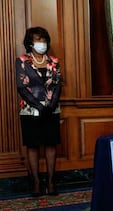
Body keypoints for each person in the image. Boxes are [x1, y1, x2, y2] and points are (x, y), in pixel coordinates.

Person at [16, 27, 62, 196]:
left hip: (52, 109)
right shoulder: (22, 61)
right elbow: (21, 87)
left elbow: (58, 85)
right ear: (30, 42)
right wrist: (38, 105)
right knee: (33, 146)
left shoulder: (54, 61)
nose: (41, 43)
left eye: (43, 40)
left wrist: (50, 105)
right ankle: (35, 181)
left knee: (51, 144)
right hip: (30, 110)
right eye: (37, 39)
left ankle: (51, 181)